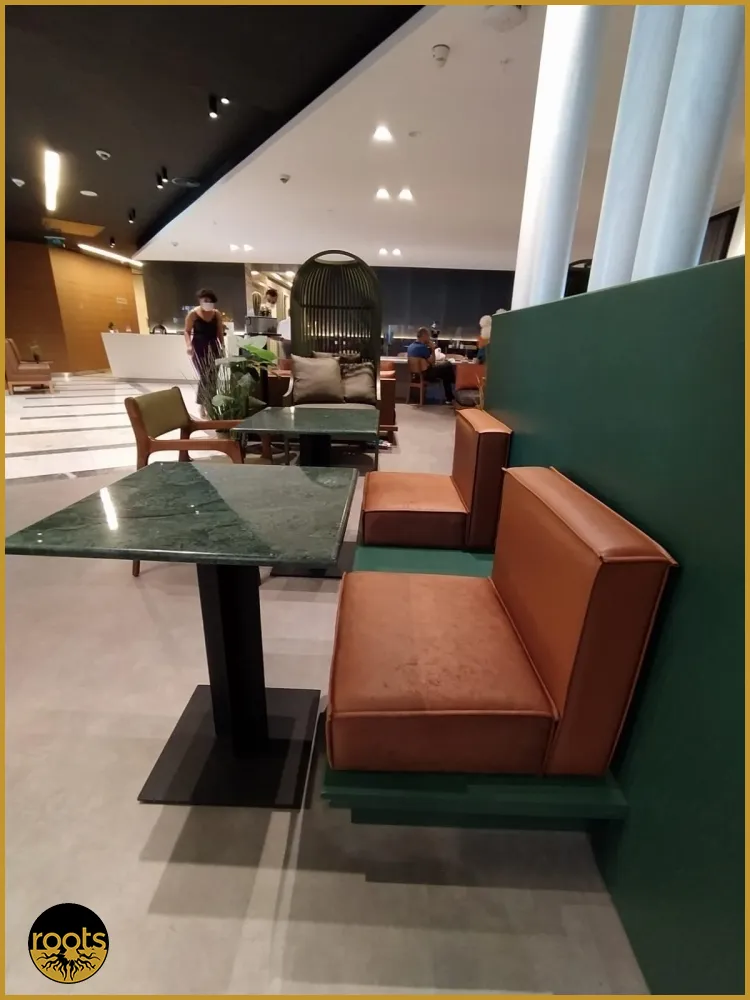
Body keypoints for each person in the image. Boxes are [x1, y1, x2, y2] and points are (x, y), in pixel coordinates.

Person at [184, 288, 224, 406]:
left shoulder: (216, 314)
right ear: (200, 300)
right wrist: (189, 345)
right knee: (204, 376)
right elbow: (187, 331)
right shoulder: (193, 314)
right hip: (199, 348)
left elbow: (219, 332)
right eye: (205, 300)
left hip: (214, 347)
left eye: (210, 301)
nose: (208, 303)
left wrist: (222, 346)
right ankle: (202, 404)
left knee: (213, 377)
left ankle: (211, 404)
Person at [407, 326, 455, 404]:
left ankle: (449, 397)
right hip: (426, 374)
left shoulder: (410, 346)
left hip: (416, 375)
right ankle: (451, 395)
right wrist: (432, 348)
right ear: (424, 336)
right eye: (428, 336)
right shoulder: (422, 347)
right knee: (448, 365)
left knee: (445, 373)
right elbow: (432, 362)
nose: (429, 338)